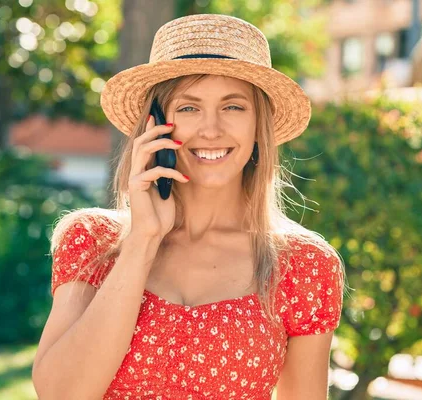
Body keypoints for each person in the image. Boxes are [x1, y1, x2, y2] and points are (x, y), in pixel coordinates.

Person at [32, 13, 347, 400]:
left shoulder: (304, 265)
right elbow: (61, 394)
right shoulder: (93, 241)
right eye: (188, 108)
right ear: (156, 124)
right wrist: (143, 240)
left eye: (233, 107)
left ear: (258, 125)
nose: (210, 129)